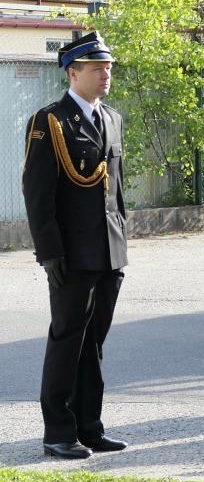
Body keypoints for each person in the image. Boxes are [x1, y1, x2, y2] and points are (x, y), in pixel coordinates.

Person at [22, 33, 130, 459]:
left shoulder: (112, 118)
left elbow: (115, 192)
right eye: (97, 68)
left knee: (94, 343)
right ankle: (58, 432)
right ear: (73, 73)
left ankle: (90, 427)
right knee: (67, 339)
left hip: (108, 252)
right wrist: (49, 252)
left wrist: (121, 242)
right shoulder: (50, 121)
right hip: (70, 254)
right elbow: (38, 194)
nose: (106, 74)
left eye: (108, 67)